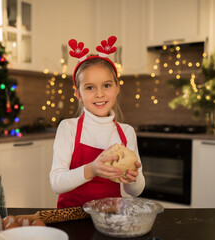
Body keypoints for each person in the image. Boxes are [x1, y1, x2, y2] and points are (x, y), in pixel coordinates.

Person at [50, 36, 145, 208]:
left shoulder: (126, 132)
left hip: (109, 219)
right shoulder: (68, 128)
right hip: (71, 219)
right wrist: (92, 169)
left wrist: (134, 178)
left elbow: (135, 191)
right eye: (90, 87)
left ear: (117, 88)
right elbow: (56, 183)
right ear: (78, 94)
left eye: (106, 85)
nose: (100, 94)